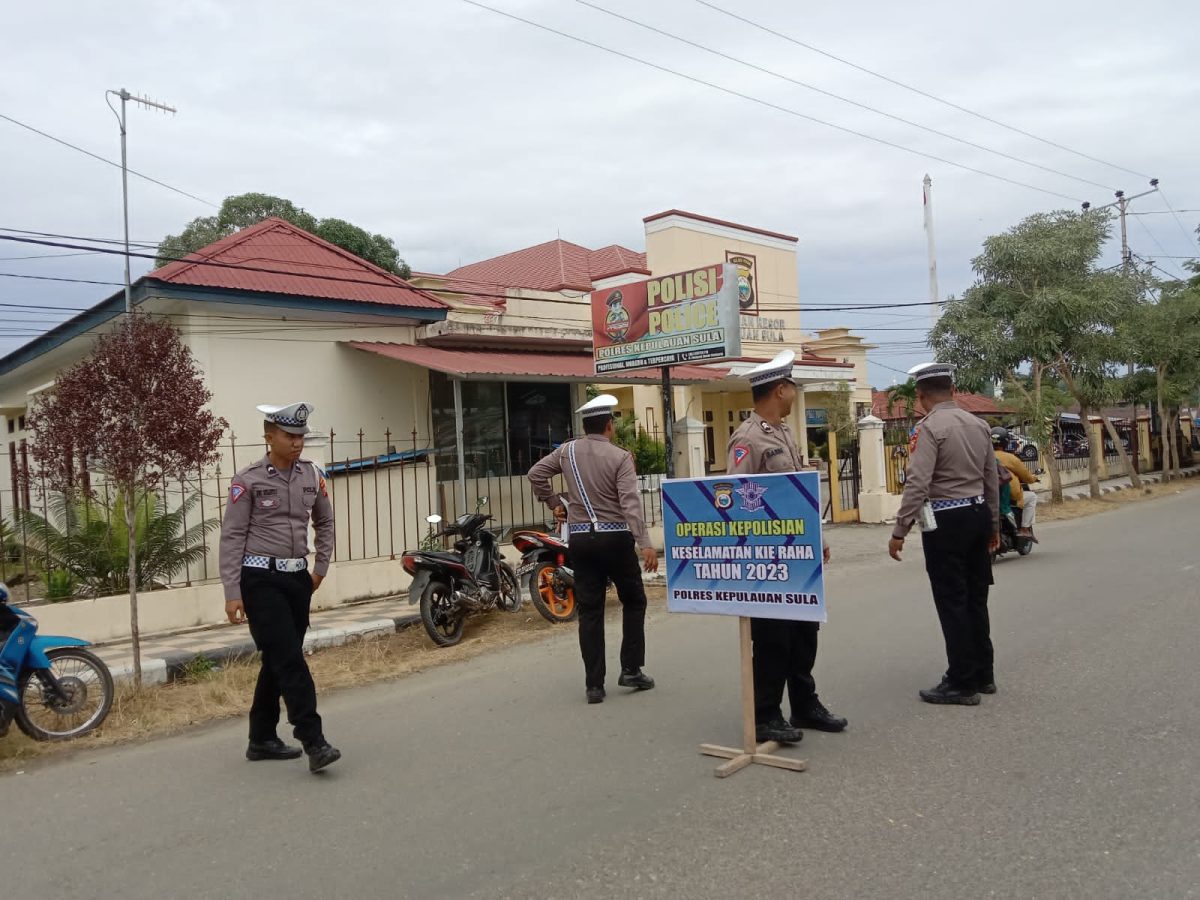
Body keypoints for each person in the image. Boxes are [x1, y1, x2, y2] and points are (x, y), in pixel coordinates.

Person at [726, 350, 845, 744]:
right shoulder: (747, 438)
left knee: (804, 633)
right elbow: (736, 494)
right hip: (769, 556)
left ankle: (805, 705)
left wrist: (817, 538)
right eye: (791, 385)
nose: (794, 391)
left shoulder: (786, 433)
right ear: (780, 390)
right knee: (774, 637)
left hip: (799, 551)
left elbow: (799, 496)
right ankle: (765, 714)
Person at [220, 402, 340, 772]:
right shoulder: (248, 480)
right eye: (290, 436)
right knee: (290, 660)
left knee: (277, 660)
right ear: (269, 436)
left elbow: (325, 521)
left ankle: (261, 738)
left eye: (301, 436)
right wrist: (232, 591)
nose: (297, 442)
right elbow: (232, 536)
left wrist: (319, 567)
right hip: (259, 580)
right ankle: (313, 740)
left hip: (296, 579)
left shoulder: (311, 475)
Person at [527, 394, 658, 704]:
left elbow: (536, 474)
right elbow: (630, 503)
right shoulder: (621, 457)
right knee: (634, 600)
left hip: (582, 540)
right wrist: (645, 543)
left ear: (585, 426)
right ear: (609, 425)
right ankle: (631, 669)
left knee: (590, 611)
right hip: (615, 540)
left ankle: (594, 686)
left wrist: (555, 503)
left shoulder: (567, 451)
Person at [888, 363, 1000, 705]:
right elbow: (991, 477)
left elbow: (918, 482)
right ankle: (984, 674)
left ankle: (960, 682)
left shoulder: (928, 428)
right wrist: (993, 523)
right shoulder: (978, 425)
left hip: (946, 521)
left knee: (952, 601)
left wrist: (900, 529)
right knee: (976, 598)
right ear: (952, 390)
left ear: (921, 396)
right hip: (978, 514)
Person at [991, 427, 1039, 540]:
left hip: (986, 495)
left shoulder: (983, 456)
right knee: (1031, 497)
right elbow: (1026, 476)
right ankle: (1024, 529)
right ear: (1006, 441)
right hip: (1009, 496)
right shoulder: (1010, 458)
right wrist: (1034, 478)